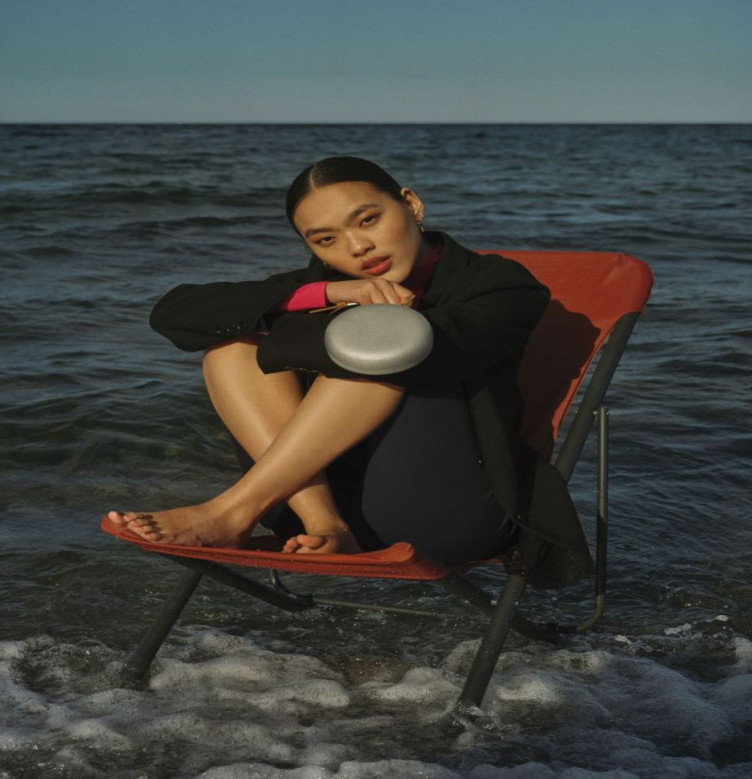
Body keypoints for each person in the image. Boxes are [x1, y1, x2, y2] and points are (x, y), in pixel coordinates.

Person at [107, 156, 587, 569]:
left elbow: (420, 347)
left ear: (411, 204)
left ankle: (232, 512)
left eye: (368, 220)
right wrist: (328, 293)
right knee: (231, 348)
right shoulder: (329, 285)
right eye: (325, 240)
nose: (357, 248)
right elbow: (175, 314)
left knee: (381, 348)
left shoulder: (500, 285)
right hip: (315, 514)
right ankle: (326, 524)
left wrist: (288, 328)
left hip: (445, 512)